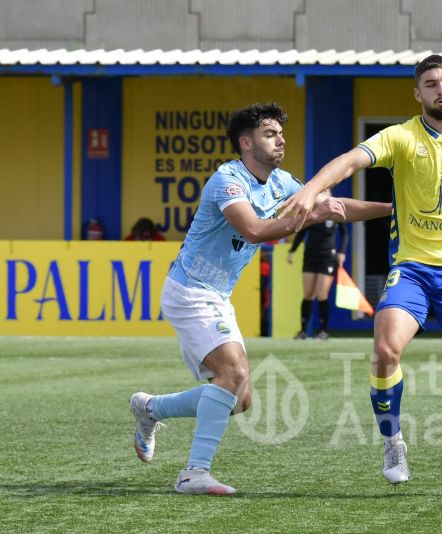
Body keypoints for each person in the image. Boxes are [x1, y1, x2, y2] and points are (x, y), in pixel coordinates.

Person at [278, 55, 442, 491]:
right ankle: (392, 440)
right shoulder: (401, 136)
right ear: (418, 93)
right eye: (431, 84)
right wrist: (311, 190)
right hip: (411, 269)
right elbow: (350, 161)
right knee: (386, 351)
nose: (441, 90)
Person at [128, 102, 391, 495]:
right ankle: (193, 473)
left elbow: (334, 206)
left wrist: (393, 210)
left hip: (217, 295)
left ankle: (150, 408)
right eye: (271, 134)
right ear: (246, 142)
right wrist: (315, 216)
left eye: (281, 133)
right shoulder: (227, 180)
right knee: (232, 376)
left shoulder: (282, 182)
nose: (281, 139)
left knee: (239, 398)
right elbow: (253, 230)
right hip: (190, 290)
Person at [287, 218, 347, 340]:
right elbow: (301, 233)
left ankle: (323, 330)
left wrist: (342, 252)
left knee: (321, 293)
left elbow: (344, 232)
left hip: (328, 257)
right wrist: (292, 250)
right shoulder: (312, 213)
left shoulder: (335, 212)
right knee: (308, 293)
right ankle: (303, 331)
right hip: (310, 256)